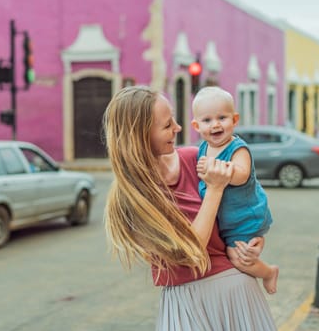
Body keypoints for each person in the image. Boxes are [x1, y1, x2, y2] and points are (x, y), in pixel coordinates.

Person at [103, 85, 276, 330]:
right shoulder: (129, 198)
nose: (178, 127)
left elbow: (245, 200)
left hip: (236, 291)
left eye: (173, 119)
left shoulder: (198, 159)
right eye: (166, 125)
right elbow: (189, 252)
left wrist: (253, 238)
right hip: (186, 305)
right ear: (141, 135)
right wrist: (214, 189)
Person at [191, 86, 279, 294]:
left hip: (245, 217)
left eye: (222, 117)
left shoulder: (237, 148)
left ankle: (268, 272)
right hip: (228, 219)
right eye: (207, 120)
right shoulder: (203, 148)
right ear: (196, 125)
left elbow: (241, 175)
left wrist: (222, 170)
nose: (216, 125)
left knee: (237, 257)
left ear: (235, 119)